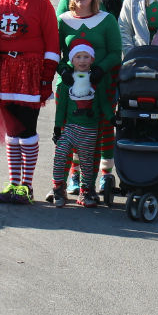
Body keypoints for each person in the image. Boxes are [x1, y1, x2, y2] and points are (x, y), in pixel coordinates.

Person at [0, 0, 58, 204]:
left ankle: (26, 186)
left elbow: (52, 41)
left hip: (30, 70)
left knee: (27, 129)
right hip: (4, 69)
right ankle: (13, 183)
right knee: (11, 130)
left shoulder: (42, 3)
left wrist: (46, 78)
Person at [55, 0, 121, 198]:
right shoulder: (62, 21)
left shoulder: (107, 20)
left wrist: (100, 69)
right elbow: (55, 52)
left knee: (98, 133)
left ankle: (96, 181)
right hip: (69, 86)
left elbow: (115, 52)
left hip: (100, 85)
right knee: (68, 133)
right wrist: (63, 69)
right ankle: (65, 181)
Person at [52, 38, 110, 207]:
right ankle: (58, 188)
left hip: (89, 130)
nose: (82, 61)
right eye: (78, 57)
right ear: (72, 60)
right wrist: (57, 128)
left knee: (87, 163)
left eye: (86, 57)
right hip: (70, 129)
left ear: (92, 59)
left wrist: (112, 118)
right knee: (60, 154)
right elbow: (61, 108)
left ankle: (85, 191)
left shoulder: (97, 81)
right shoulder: (66, 83)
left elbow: (104, 103)